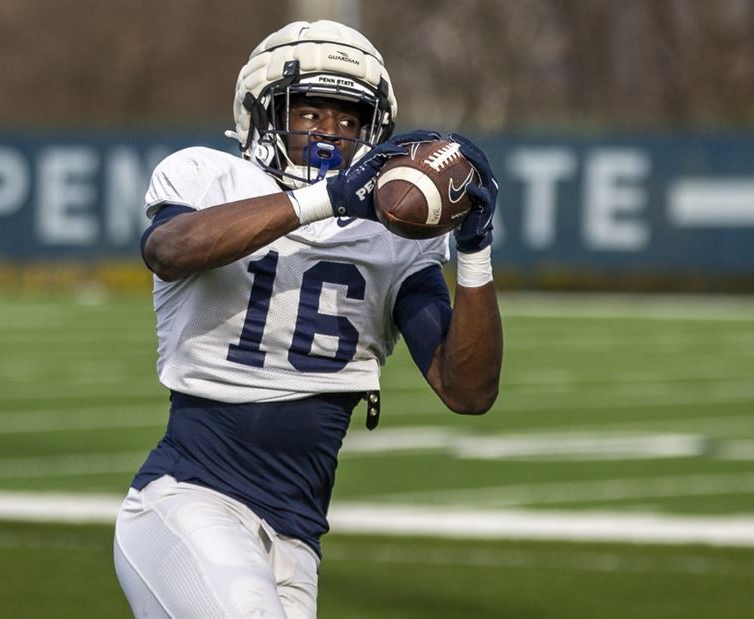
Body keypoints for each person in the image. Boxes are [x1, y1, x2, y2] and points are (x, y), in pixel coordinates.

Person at [113, 19, 502, 618]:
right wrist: (327, 199)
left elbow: (468, 389)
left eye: (348, 120)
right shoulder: (211, 178)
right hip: (189, 498)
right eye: (311, 114)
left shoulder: (391, 239)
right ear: (262, 114)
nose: (330, 134)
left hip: (296, 534)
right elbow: (168, 251)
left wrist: (475, 251)